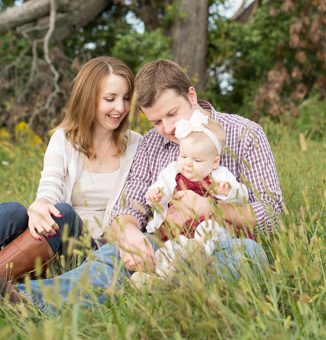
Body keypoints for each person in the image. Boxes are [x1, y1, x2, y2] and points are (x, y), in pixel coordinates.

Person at [0, 59, 283, 310]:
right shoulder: (152, 144)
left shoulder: (245, 134)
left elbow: (273, 213)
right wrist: (130, 234)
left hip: (219, 245)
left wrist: (212, 209)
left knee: (250, 255)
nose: (168, 129)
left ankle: (160, 291)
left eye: (172, 114)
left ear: (191, 96)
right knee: (115, 253)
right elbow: (126, 207)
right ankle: (26, 301)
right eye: (156, 121)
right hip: (164, 243)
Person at [0, 56, 141, 283]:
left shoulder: (137, 145)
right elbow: (51, 184)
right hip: (52, 241)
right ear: (88, 98)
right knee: (14, 211)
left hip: (93, 250)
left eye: (126, 98)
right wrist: (40, 205)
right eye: (110, 99)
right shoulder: (64, 139)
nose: (121, 107)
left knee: (63, 213)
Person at [131, 110, 250, 282]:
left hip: (208, 226)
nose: (187, 163)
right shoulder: (172, 171)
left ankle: (198, 254)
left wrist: (229, 191)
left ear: (214, 162)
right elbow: (160, 187)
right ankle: (161, 279)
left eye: (197, 160)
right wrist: (156, 194)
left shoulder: (220, 175)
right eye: (183, 156)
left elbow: (242, 196)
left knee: (209, 229)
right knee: (171, 246)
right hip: (180, 232)